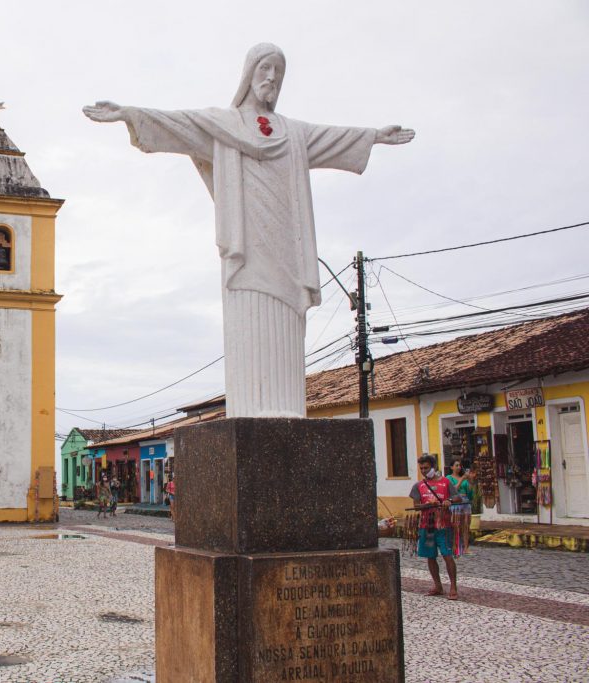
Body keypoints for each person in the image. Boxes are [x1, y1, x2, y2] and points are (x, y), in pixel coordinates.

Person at [84, 43, 414, 418]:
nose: (271, 77)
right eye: (265, 68)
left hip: (287, 245)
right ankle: (252, 411)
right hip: (246, 248)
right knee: (250, 313)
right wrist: (130, 113)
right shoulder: (222, 125)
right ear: (248, 74)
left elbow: (334, 138)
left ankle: (287, 411)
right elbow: (177, 123)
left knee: (287, 323)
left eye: (278, 71)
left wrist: (374, 135)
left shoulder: (293, 132)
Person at [410, 454, 463, 600]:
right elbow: (416, 506)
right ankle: (437, 585)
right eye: (421, 468)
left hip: (444, 525)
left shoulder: (445, 482)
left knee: (447, 556)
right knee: (430, 556)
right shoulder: (418, 486)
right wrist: (427, 505)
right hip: (426, 526)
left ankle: (453, 587)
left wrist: (448, 500)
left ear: (433, 467)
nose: (424, 471)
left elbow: (457, 497)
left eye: (426, 468)